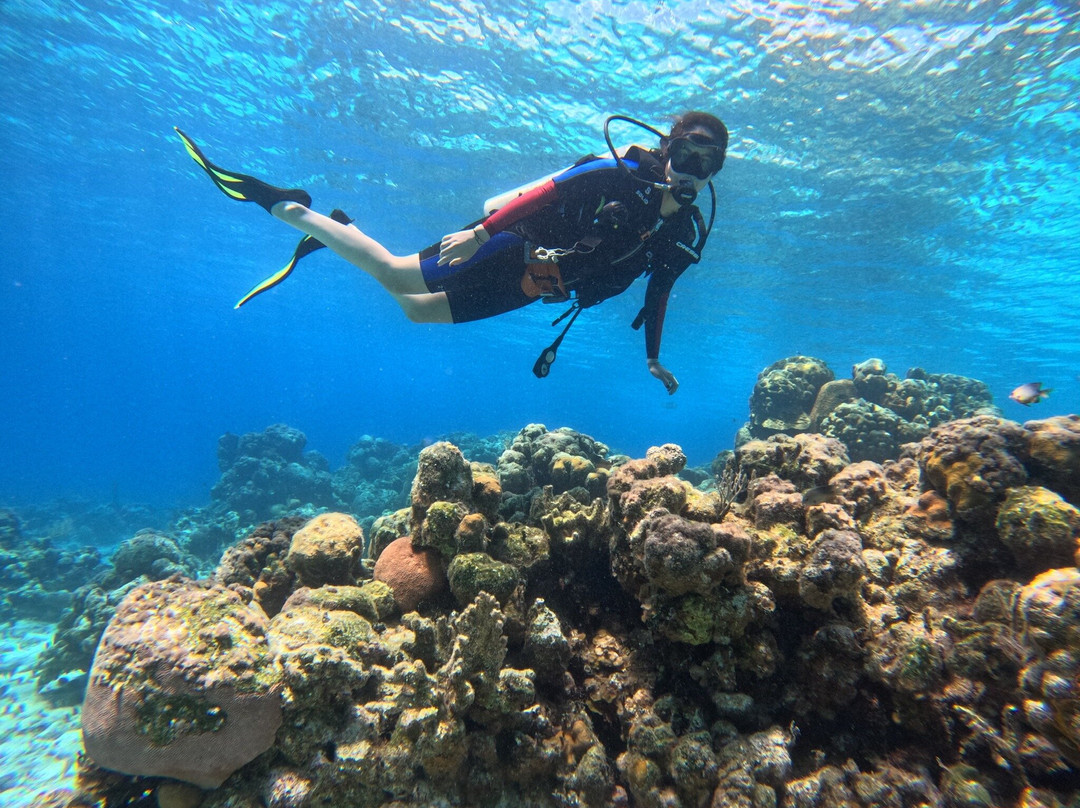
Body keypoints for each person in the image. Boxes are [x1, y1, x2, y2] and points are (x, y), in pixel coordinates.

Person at [175, 111, 727, 393]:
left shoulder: (683, 237)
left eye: (708, 163)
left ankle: (341, 232)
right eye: (685, 153)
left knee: (416, 310)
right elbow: (547, 193)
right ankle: (282, 203)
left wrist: (652, 357)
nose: (692, 171)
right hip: (507, 238)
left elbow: (660, 292)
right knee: (395, 273)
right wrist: (483, 233)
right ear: (666, 148)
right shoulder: (618, 175)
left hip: (539, 285)